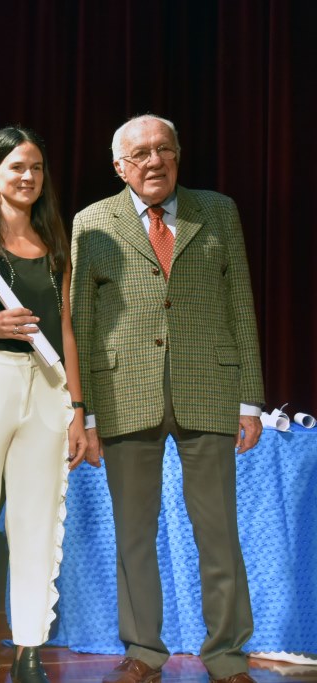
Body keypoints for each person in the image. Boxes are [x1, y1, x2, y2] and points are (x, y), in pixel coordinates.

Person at [70, 114, 264, 683]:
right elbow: (81, 321)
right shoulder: (92, 223)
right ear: (119, 166)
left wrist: (250, 399)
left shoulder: (218, 211)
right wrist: (87, 413)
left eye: (163, 150)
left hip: (210, 387)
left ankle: (227, 656)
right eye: (140, 154)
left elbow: (242, 306)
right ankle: (143, 653)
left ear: (178, 155)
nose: (154, 162)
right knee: (133, 532)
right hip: (123, 392)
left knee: (219, 532)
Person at [0, 127, 95, 683]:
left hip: (48, 388)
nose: (28, 176)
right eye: (15, 167)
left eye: (35, 167)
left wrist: (77, 408)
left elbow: (68, 331)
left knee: (38, 523)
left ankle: (30, 649)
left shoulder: (56, 246)